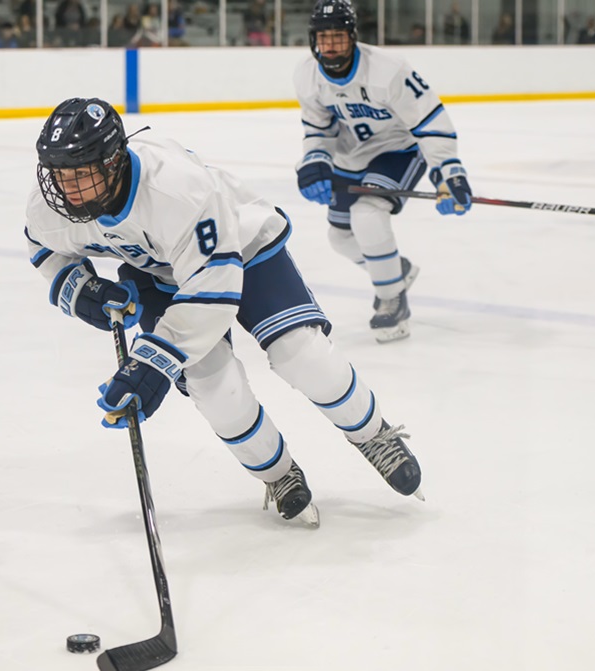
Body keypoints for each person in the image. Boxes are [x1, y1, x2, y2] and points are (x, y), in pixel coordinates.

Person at [25, 97, 425, 526]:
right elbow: (42, 247)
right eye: (60, 175)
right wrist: (80, 290)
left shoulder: (175, 188)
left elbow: (214, 288)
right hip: (161, 270)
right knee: (211, 384)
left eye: (82, 174)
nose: (68, 189)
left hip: (241, 244)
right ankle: (278, 473)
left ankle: (372, 434)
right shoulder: (54, 203)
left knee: (301, 355)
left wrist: (155, 362)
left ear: (114, 162)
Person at [293, 0, 472, 342]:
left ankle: (392, 300)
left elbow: (429, 121)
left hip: (398, 151)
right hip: (350, 157)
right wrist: (315, 160)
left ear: (353, 37)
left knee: (368, 214)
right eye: (323, 37)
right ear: (313, 39)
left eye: (338, 37)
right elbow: (319, 129)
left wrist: (449, 172)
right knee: (340, 237)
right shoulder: (307, 75)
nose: (330, 45)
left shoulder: (388, 70)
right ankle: (396, 271)